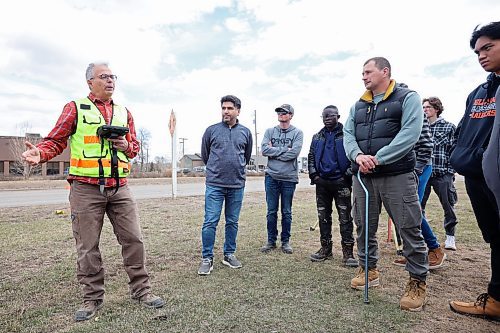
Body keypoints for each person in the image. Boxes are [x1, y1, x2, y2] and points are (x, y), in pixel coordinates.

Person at [21, 62, 165, 321]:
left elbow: (134, 148)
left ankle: (142, 290)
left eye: (113, 76)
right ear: (90, 82)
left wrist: (125, 144)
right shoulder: (75, 108)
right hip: (85, 189)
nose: (110, 80)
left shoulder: (124, 112)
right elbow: (56, 139)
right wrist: (40, 153)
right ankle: (92, 299)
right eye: (104, 76)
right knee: (88, 247)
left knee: (134, 240)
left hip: (120, 188)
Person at [343, 57, 429, 311]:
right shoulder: (359, 104)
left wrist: (379, 159)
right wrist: (358, 156)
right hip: (363, 178)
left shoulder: (407, 98)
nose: (363, 76)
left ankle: (417, 282)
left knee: (409, 228)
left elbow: (410, 134)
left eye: (368, 72)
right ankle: (368, 270)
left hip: (397, 176)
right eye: (362, 73)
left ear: (385, 71)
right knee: (363, 226)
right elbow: (348, 134)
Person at [449, 21, 500, 321]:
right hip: (476, 176)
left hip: (496, 175)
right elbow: (466, 128)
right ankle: (495, 298)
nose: (481, 55)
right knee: (495, 238)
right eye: (477, 51)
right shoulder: (479, 91)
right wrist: (465, 156)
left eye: (488, 47)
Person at [198, 95, 253, 275]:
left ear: (238, 110)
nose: (226, 111)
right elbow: (205, 155)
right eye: (223, 108)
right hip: (215, 184)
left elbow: (246, 156)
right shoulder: (211, 130)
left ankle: (229, 254)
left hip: (237, 185)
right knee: (210, 221)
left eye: (229, 108)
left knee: (232, 222)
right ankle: (207, 258)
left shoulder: (245, 132)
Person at [393, 93, 446, 269]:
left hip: (419, 167)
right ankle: (413, 253)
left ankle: (434, 248)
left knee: (413, 209)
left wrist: (417, 169)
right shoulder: (392, 114)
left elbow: (426, 145)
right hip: (402, 167)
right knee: (403, 211)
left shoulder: (415, 112)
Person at [307, 105, 357, 267]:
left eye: (331, 116)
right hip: (322, 184)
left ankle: (348, 252)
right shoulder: (317, 137)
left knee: (345, 218)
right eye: (324, 116)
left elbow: (354, 155)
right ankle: (325, 248)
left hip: (341, 183)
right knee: (323, 217)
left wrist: (347, 175)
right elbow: (311, 157)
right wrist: (314, 175)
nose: (327, 119)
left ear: (338, 116)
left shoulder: (347, 135)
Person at [260, 104, 303, 254]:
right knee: (271, 211)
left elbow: (294, 153)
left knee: (286, 211)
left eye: (284, 112)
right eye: (279, 112)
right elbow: (264, 150)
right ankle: (271, 241)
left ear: (291, 115)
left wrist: (274, 152)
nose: (281, 114)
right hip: (271, 176)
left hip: (289, 178)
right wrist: (285, 149)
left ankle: (285, 242)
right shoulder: (270, 131)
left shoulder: (297, 133)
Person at [421, 96, 458, 251]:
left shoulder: (449, 127)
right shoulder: (420, 126)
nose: (424, 110)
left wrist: (450, 171)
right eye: (423, 107)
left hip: (442, 173)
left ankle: (450, 237)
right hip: (423, 172)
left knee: (448, 206)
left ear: (436, 109)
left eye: (428, 107)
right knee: (417, 206)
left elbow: (454, 150)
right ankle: (421, 236)